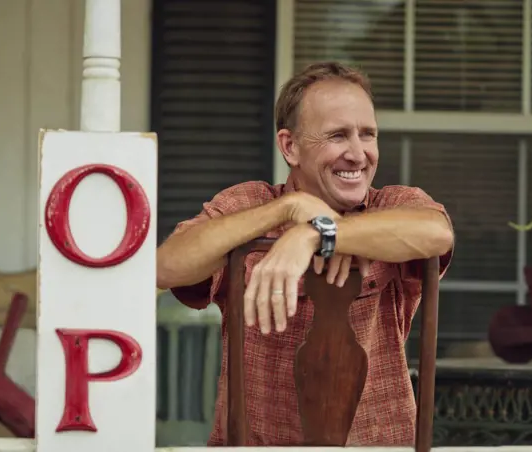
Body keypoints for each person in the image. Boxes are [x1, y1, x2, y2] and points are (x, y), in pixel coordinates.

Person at [156, 61, 455, 447]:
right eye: (337, 135)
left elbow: (436, 232)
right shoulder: (250, 204)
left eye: (367, 134)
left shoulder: (392, 204)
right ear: (290, 146)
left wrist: (319, 234)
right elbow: (165, 267)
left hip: (380, 446)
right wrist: (287, 210)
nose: (358, 153)